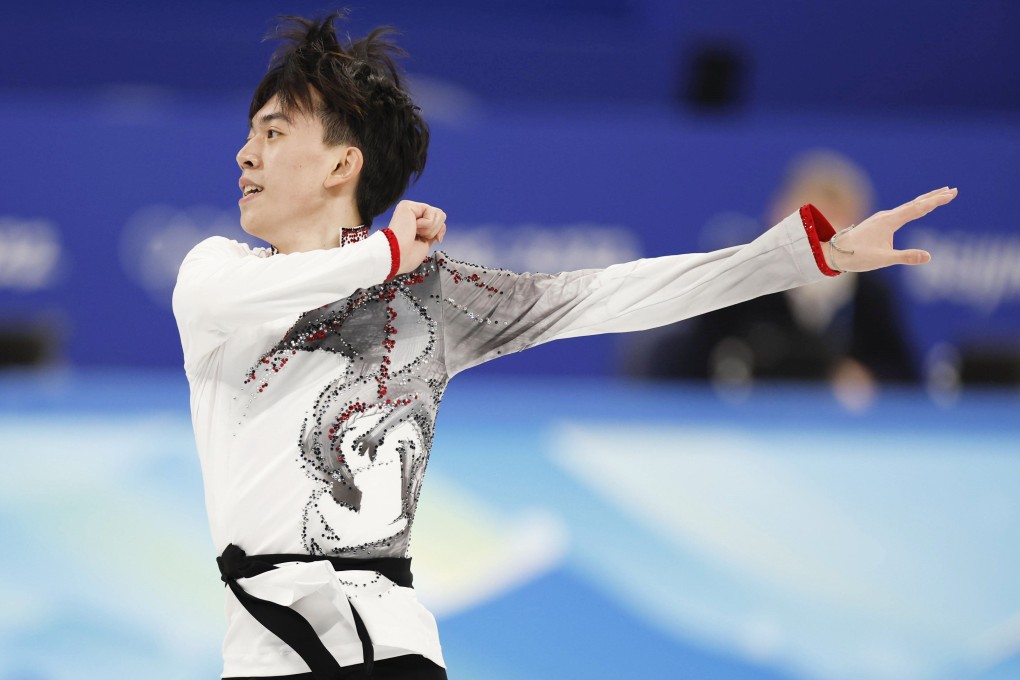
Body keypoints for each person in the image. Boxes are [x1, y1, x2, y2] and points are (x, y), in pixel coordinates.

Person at [171, 11, 956, 680]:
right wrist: (383, 253)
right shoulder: (216, 276)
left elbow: (608, 294)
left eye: (272, 133)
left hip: (393, 643)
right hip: (264, 647)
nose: (246, 154)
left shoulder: (427, 298)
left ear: (344, 162)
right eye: (250, 135)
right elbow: (247, 294)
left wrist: (804, 257)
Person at [635, 150, 919, 406]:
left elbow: (906, 376)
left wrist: (866, 377)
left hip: (837, 439)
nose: (829, 237)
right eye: (817, 224)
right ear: (780, 219)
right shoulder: (742, 275)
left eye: (841, 221)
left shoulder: (870, 293)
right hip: (743, 428)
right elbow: (686, 367)